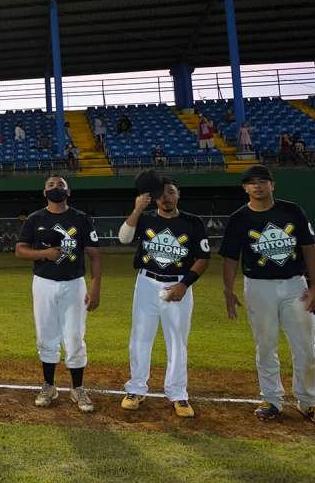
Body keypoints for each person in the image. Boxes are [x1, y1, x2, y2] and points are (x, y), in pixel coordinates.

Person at [220, 165, 315, 427]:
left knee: (304, 346)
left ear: (273, 185)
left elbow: (309, 249)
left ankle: (308, 402)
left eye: (263, 181)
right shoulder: (239, 218)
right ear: (245, 188)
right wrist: (228, 290)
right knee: (266, 345)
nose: (257, 186)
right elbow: (229, 258)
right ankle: (271, 399)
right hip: (258, 287)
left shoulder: (291, 211)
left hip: (295, 285)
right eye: (251, 183)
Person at [118, 178, 209, 417]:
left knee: (177, 341)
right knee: (140, 337)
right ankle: (136, 389)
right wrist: (137, 208)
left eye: (170, 192)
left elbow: (203, 258)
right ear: (155, 198)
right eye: (161, 194)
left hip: (177, 284)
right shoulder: (146, 218)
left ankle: (178, 393)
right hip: (147, 283)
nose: (165, 197)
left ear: (178, 194)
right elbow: (124, 238)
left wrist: (184, 284)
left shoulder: (192, 222)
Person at [15, 175, 102, 413]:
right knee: (46, 334)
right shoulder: (35, 219)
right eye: (51, 185)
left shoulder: (81, 219)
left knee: (74, 336)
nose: (56, 188)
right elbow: (20, 250)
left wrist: (95, 286)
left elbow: (94, 255)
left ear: (69, 191)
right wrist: (44, 254)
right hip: (43, 282)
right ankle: (49, 385)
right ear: (44, 193)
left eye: (60, 185)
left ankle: (77, 388)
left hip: (74, 283)